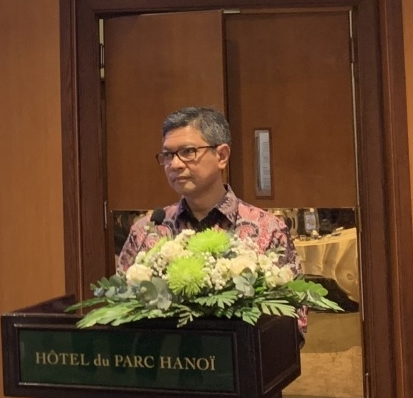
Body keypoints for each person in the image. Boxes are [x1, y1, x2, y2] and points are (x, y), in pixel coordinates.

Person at [117, 105, 305, 336]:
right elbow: (119, 309)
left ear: (222, 156)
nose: (175, 164)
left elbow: (294, 319)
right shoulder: (148, 230)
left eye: (188, 152)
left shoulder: (267, 228)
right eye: (168, 155)